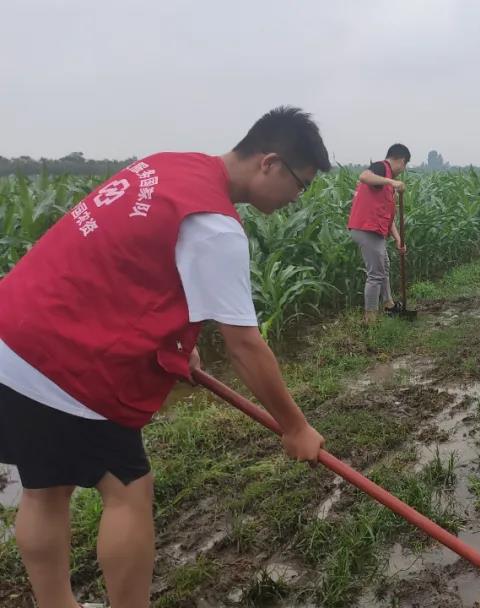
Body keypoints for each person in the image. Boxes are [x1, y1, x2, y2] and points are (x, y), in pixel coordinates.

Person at [0, 106, 331, 608]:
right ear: (270, 163)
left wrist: (179, 344)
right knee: (128, 488)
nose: (295, 199)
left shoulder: (168, 166)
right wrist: (294, 426)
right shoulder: (214, 224)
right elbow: (244, 345)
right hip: (65, 361)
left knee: (46, 486)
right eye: (300, 185)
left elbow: (132, 267)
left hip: (13, 334)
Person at [347, 144, 410, 324]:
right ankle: (370, 319)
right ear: (401, 160)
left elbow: (388, 216)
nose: (403, 171)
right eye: (404, 166)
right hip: (366, 228)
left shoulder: (386, 182)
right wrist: (392, 182)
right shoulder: (382, 168)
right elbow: (364, 176)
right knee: (375, 274)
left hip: (374, 229)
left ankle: (389, 305)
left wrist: (399, 239)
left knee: (384, 267)